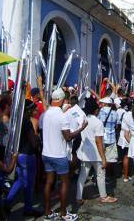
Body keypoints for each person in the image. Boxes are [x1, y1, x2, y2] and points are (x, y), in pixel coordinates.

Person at [42, 88, 87, 221]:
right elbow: (68, 137)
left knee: (49, 182)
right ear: (62, 100)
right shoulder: (61, 116)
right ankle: (63, 213)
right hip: (58, 154)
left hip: (46, 153)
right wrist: (81, 129)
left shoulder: (46, 113)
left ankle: (47, 212)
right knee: (65, 183)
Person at [4, 100, 43, 218]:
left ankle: (7, 202)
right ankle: (28, 209)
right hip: (27, 155)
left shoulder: (15, 119)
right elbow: (33, 141)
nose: (34, 111)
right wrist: (38, 140)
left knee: (20, 180)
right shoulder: (26, 121)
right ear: (28, 110)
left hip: (18, 153)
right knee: (29, 184)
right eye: (32, 109)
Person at [76, 96, 118, 204]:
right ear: (96, 110)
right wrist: (104, 158)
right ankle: (103, 196)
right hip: (96, 153)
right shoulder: (98, 123)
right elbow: (99, 142)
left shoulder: (83, 120)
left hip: (84, 152)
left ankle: (78, 197)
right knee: (100, 174)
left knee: (82, 175)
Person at [97, 97, 119, 186]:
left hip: (101, 137)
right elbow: (117, 125)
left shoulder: (100, 112)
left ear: (105, 104)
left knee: (100, 157)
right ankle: (108, 176)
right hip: (111, 137)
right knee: (110, 159)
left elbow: (97, 124)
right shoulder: (115, 113)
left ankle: (100, 175)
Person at [64, 95, 86, 179]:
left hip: (68, 135)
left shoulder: (68, 112)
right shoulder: (79, 111)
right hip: (76, 134)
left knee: (70, 154)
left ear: (70, 101)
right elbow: (83, 122)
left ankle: (69, 172)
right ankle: (71, 172)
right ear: (77, 102)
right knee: (73, 154)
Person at [115, 98, 131, 182]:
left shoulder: (118, 111)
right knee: (126, 156)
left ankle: (116, 173)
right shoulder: (130, 114)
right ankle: (125, 176)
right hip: (128, 136)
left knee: (118, 156)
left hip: (121, 135)